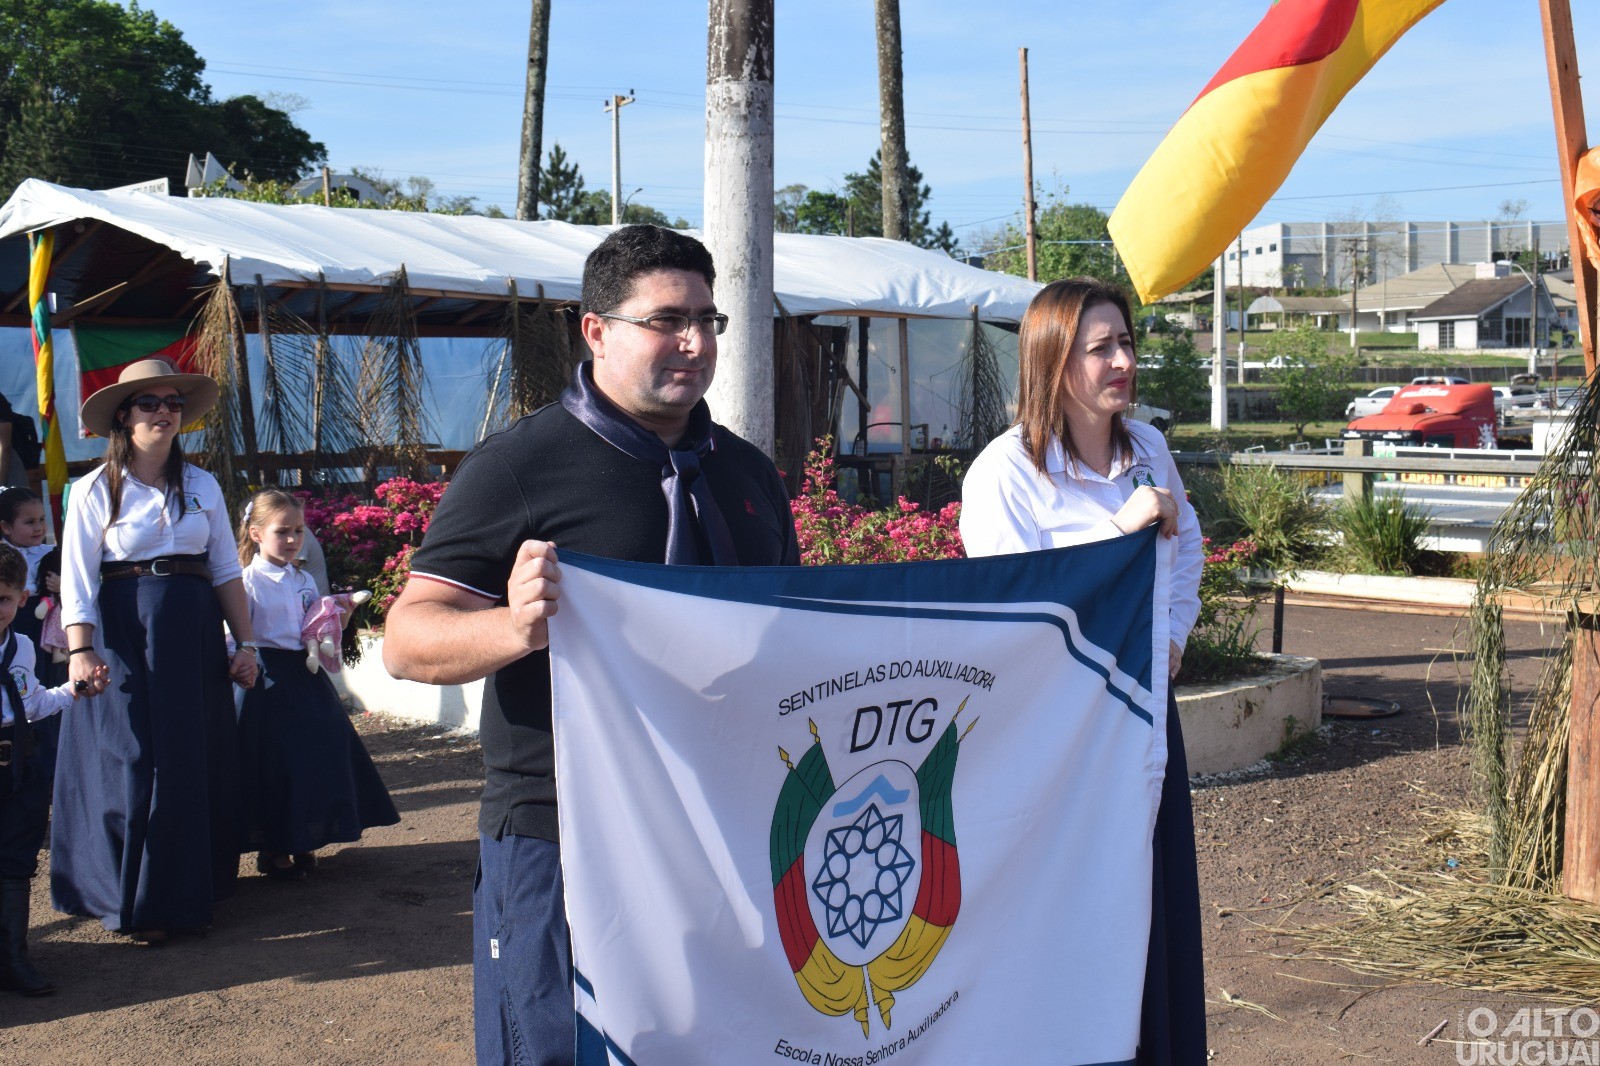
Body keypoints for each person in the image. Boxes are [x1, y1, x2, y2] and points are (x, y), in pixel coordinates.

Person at [383, 224, 799, 1066]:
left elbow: (786, 636)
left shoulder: (749, 476)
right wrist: (514, 626)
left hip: (724, 826)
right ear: (597, 330)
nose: (695, 342)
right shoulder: (519, 468)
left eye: (709, 320)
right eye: (667, 320)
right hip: (561, 834)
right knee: (556, 1052)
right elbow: (406, 640)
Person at [959, 277, 1206, 1065]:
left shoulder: (1150, 449)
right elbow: (1019, 614)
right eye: (1100, 349)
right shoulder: (1006, 474)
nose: (1123, 362)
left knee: (1150, 901)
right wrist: (1119, 531)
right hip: (1055, 738)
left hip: (1140, 711)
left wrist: (1168, 640)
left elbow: (1188, 547)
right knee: (1067, 913)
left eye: (1126, 343)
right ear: (1052, 361)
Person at [52, 359, 259, 944]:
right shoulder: (94, 489)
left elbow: (225, 568)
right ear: (124, 416)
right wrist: (80, 649)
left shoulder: (204, 485)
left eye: (172, 402)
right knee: (136, 757)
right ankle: (137, 895)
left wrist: (245, 644)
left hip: (191, 632)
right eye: (149, 403)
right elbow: (77, 578)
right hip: (125, 632)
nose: (163, 411)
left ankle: (185, 888)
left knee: (191, 754)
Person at [235, 488, 398, 881]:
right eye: (282, 531)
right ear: (256, 534)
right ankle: (275, 848)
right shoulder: (247, 581)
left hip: (304, 677)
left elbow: (315, 625)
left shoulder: (304, 578)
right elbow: (237, 634)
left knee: (319, 752)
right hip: (266, 678)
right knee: (276, 762)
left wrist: (340, 615)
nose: (293, 540)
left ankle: (305, 837)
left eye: (299, 530)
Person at [0, 542, 93, 996]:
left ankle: (14, 960)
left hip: (18, 764)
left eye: (3, 598)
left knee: (16, 861)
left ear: (21, 598)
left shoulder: (20, 645)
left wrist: (71, 691)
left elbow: (33, 701)